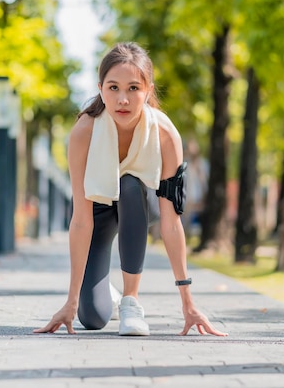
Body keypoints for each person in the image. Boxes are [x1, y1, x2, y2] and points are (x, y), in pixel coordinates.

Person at [33, 42, 227, 337]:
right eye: (113, 88)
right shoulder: (84, 131)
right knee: (93, 318)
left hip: (139, 201)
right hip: (98, 210)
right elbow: (82, 219)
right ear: (100, 88)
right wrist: (70, 302)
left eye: (133, 88)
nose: (123, 99)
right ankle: (106, 295)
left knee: (129, 184)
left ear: (148, 90)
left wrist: (188, 303)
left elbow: (171, 221)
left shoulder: (164, 134)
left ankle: (131, 300)